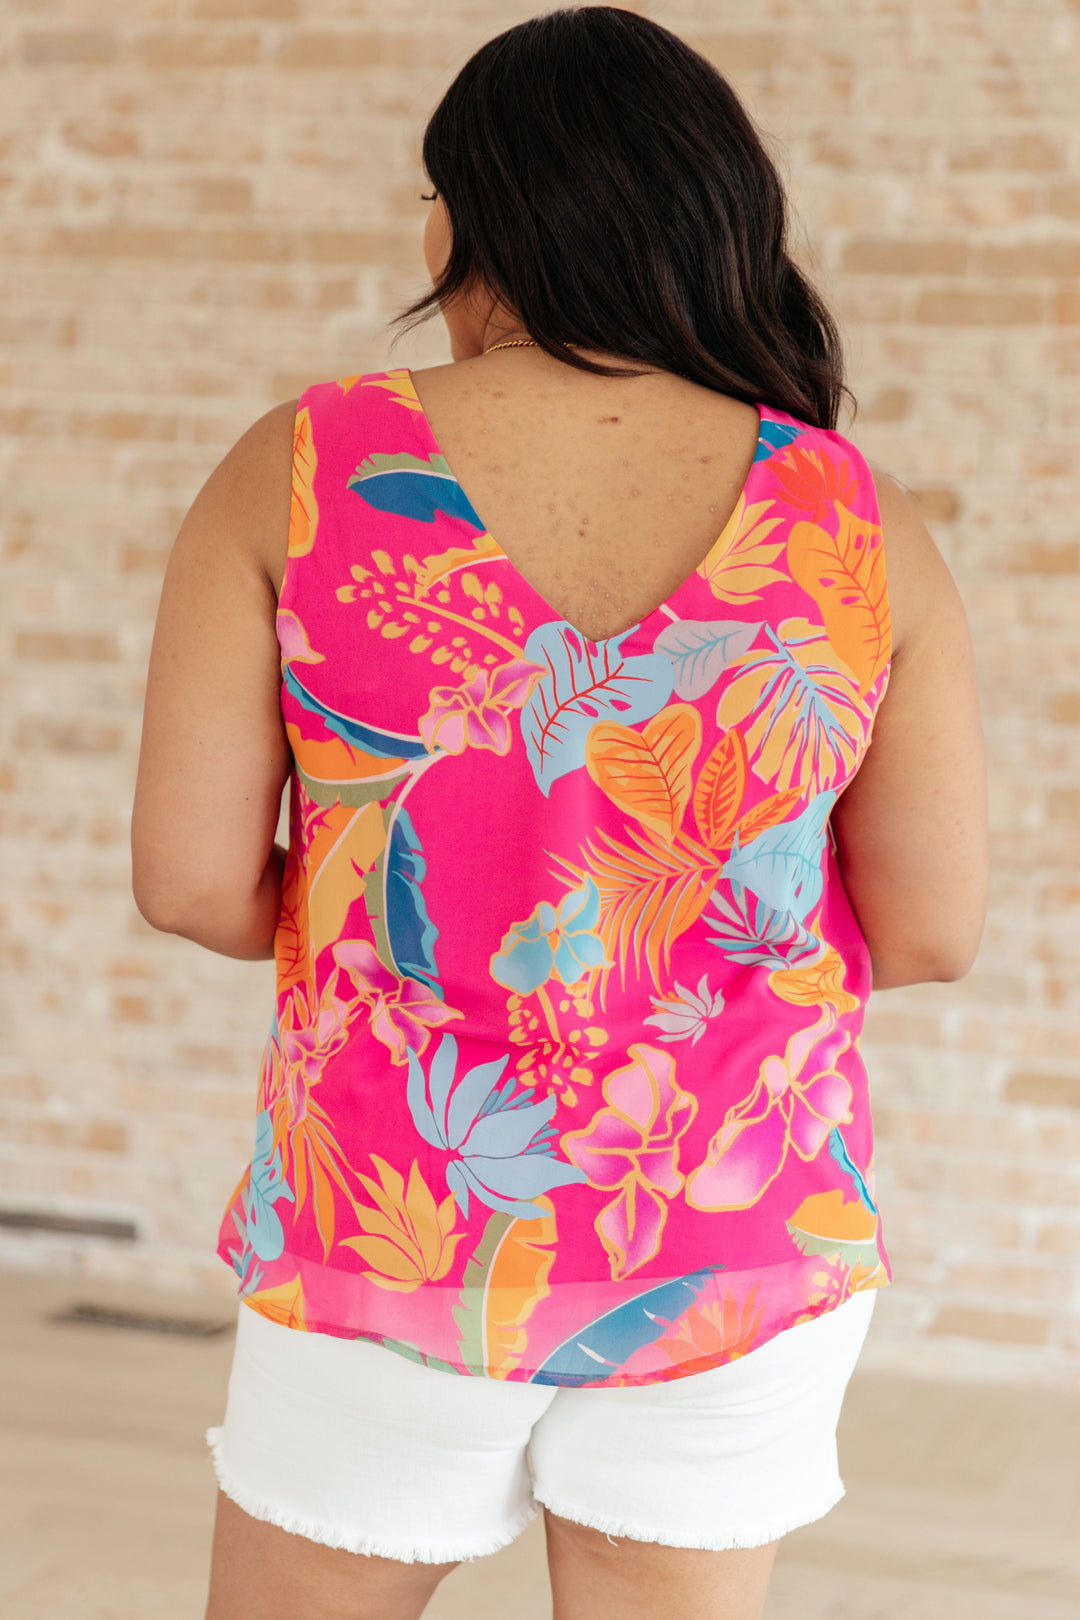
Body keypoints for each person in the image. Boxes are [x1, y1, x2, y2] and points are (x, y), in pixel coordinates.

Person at [130, 9, 988, 1619]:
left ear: (478, 215)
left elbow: (187, 881)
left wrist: (379, 929)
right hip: (737, 1241)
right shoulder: (852, 519)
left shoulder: (306, 469)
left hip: (388, 1223)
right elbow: (935, 928)